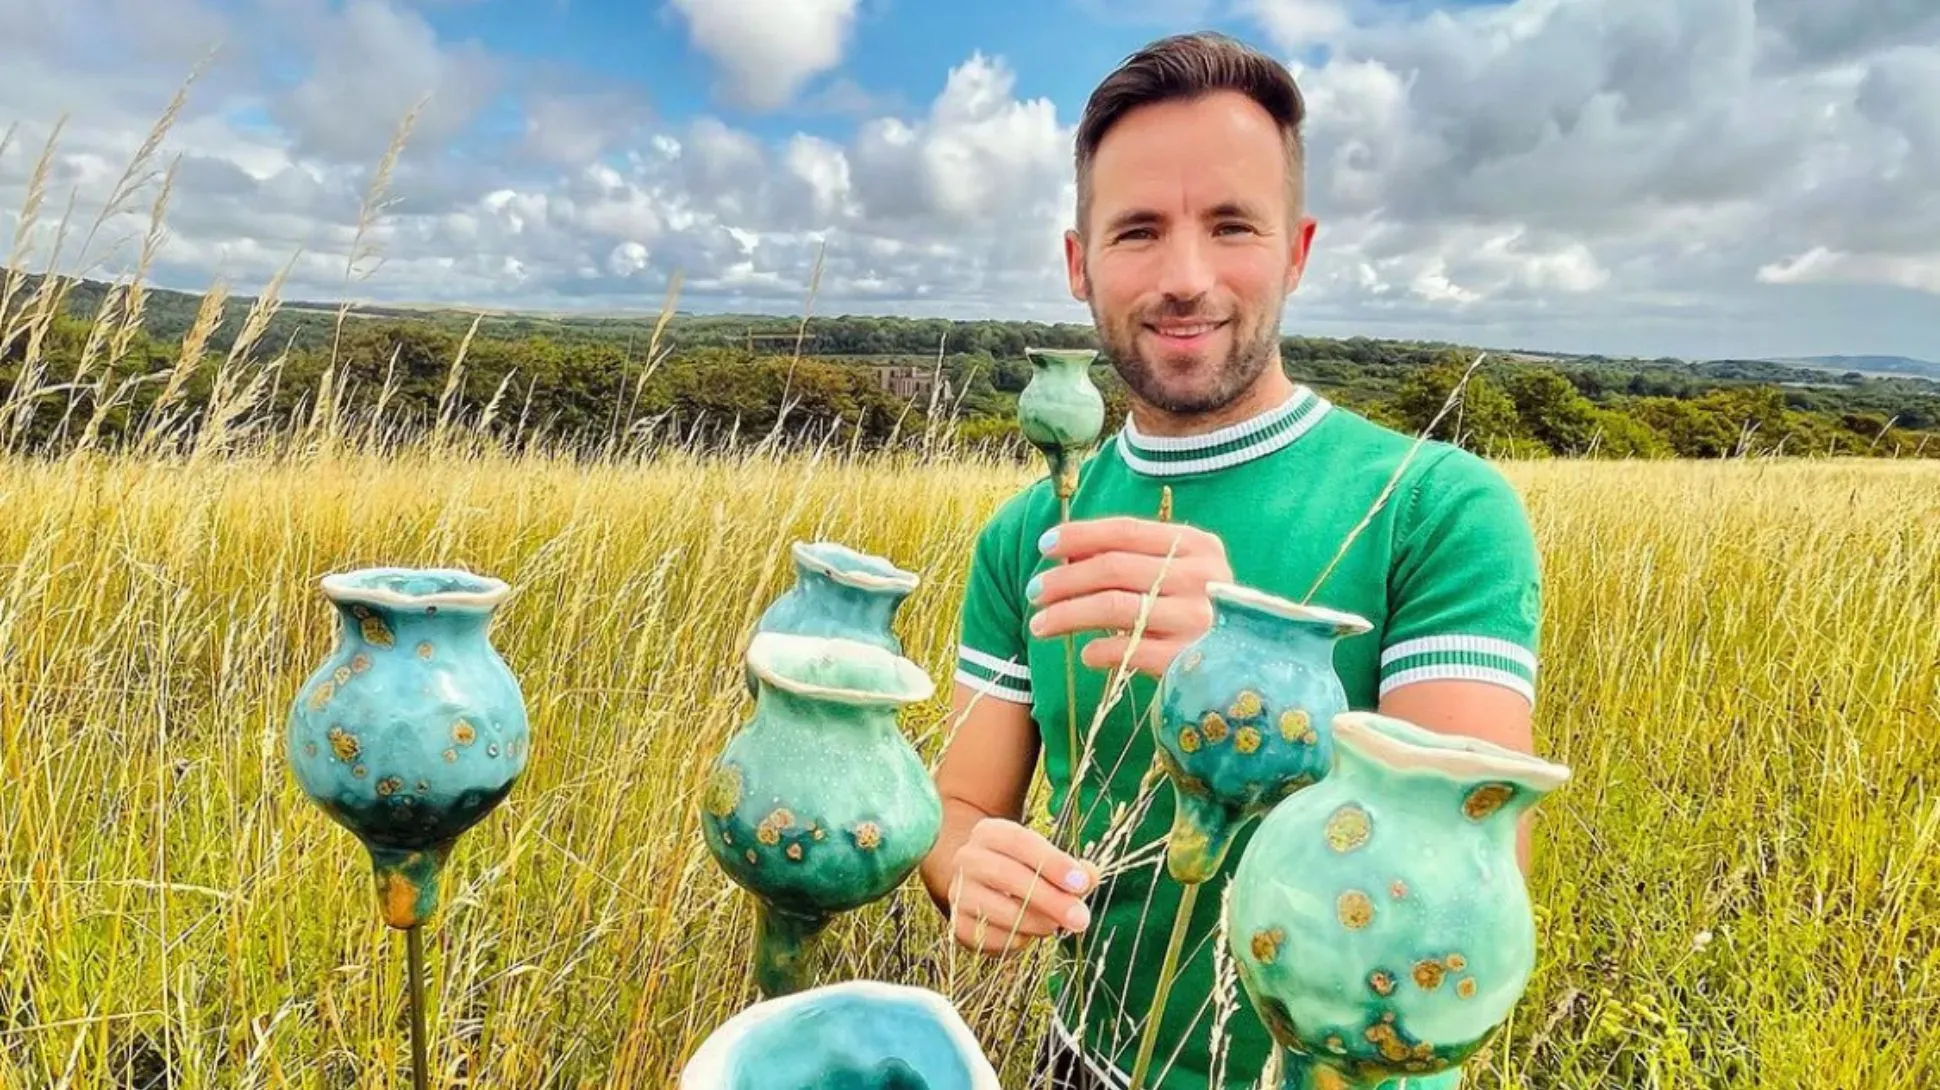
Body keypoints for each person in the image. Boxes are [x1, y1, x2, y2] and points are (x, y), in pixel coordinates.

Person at [914, 29, 1547, 1090]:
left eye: (1229, 226)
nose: (1184, 277)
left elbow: (1469, 896)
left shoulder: (1434, 508)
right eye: (1136, 232)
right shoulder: (1028, 534)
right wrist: (960, 864)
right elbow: (960, 806)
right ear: (1078, 264)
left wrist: (1251, 671)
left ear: (1294, 251)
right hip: (1083, 1056)